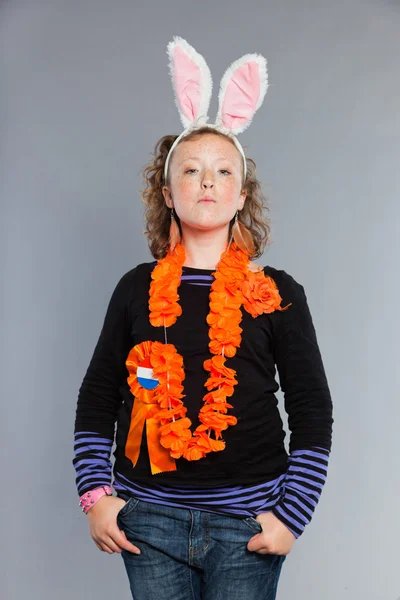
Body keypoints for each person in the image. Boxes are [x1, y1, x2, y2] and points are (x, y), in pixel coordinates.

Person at [73, 37, 333, 600]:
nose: (207, 181)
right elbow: (97, 396)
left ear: (241, 195)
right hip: (149, 518)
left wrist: (292, 516)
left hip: (249, 522)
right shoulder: (136, 289)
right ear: (168, 194)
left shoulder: (276, 293)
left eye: (222, 171)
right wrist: (96, 496)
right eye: (191, 171)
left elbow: (312, 408)